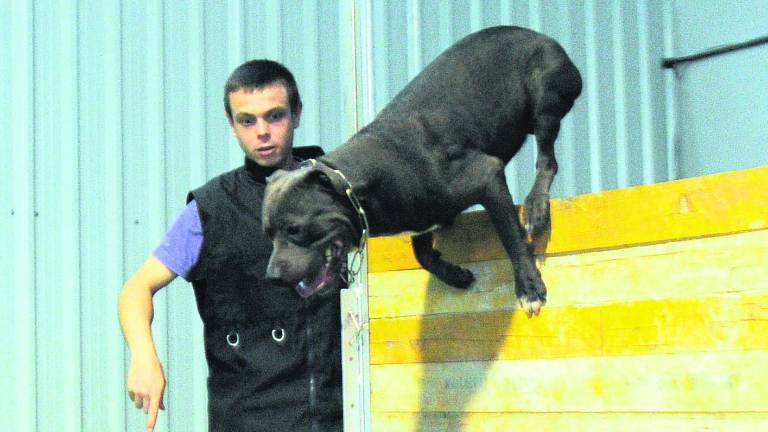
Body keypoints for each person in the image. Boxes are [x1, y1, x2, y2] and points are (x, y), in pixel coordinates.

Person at [118, 60, 343, 432]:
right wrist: (144, 358)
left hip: (338, 414)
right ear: (232, 126)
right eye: (248, 121)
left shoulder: (336, 191)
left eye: (275, 116)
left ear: (297, 114)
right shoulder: (210, 210)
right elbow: (134, 291)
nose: (263, 133)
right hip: (247, 417)